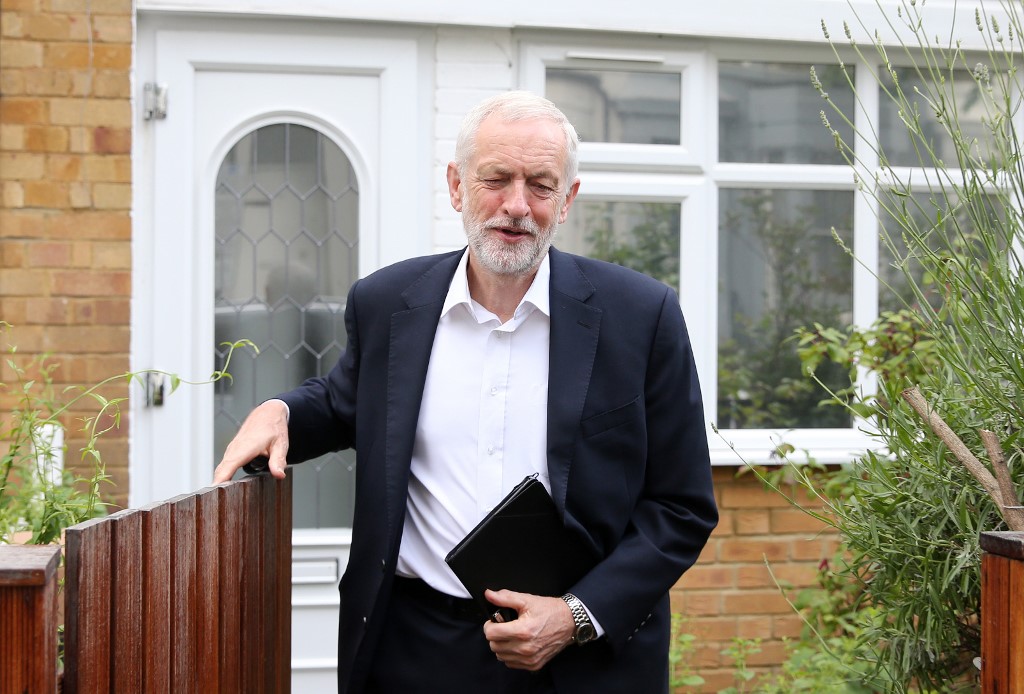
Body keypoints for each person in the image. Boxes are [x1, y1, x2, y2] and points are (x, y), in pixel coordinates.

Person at [214, 90, 718, 694]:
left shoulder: (642, 316)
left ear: (567, 201)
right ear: (456, 186)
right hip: (413, 648)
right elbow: (347, 399)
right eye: (496, 178)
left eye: (540, 185)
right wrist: (282, 411)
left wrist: (575, 616)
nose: (516, 205)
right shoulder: (387, 303)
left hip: (577, 661)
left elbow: (682, 507)